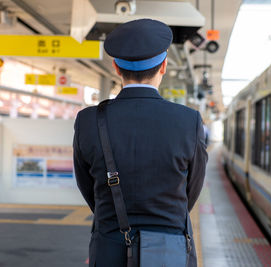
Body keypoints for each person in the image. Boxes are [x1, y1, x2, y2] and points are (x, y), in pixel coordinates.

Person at [73, 19, 208, 267]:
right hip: (169, 252)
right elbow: (193, 188)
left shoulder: (88, 120)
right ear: (164, 66)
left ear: (115, 67)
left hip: (109, 249)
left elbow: (88, 187)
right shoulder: (189, 121)